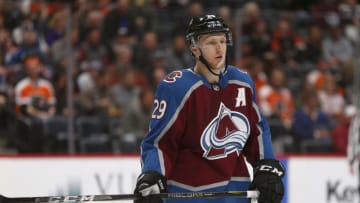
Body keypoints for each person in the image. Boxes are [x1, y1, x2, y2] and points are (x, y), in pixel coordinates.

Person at [133, 14, 285, 203]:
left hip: (235, 193)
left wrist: (265, 165)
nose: (219, 47)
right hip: (189, 195)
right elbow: (160, 143)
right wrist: (152, 175)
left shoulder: (242, 82)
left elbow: (257, 130)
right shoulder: (177, 87)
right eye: (211, 42)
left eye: (222, 40)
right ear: (194, 48)